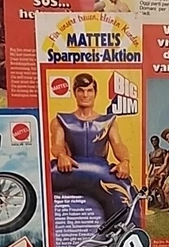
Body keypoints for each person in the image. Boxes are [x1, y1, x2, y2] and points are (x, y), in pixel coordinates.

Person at [49, 74, 135, 220]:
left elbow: (118, 144)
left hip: (100, 171)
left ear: (95, 93)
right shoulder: (62, 120)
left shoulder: (108, 121)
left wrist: (125, 161)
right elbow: (57, 144)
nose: (85, 95)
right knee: (48, 175)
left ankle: (126, 230)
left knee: (126, 194)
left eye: (89, 90)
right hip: (72, 169)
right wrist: (62, 156)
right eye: (81, 91)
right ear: (75, 92)